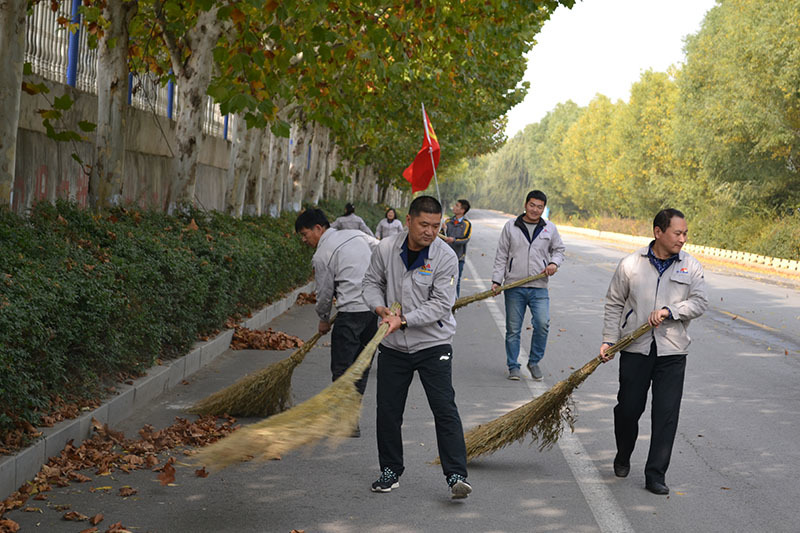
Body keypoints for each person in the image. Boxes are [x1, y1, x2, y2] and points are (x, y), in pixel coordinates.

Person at [362, 195, 472, 499]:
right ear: (408, 220)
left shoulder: (445, 256)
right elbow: (371, 282)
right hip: (394, 345)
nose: (430, 231)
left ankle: (456, 476)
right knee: (387, 410)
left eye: (436, 226)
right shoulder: (385, 248)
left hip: (433, 343)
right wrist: (379, 309)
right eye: (424, 224)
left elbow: (440, 305)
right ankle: (390, 471)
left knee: (444, 408)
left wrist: (405, 320)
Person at [599, 208, 708, 496]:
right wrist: (609, 340)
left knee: (666, 414)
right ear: (658, 232)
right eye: (677, 233)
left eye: (685, 233)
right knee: (628, 409)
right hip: (635, 348)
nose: (683, 239)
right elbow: (613, 303)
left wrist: (672, 310)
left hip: (672, 352)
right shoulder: (631, 264)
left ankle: (655, 474)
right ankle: (623, 454)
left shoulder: (691, 267)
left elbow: (700, 302)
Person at [295, 208, 379, 437]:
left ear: (318, 228)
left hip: (350, 314)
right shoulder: (357, 235)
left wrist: (323, 318)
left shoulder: (323, 254)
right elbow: (383, 252)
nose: (304, 240)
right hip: (372, 313)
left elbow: (324, 293)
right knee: (361, 366)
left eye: (305, 234)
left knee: (342, 368)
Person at [491, 190, 565, 381]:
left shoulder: (550, 228)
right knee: (513, 329)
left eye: (539, 207)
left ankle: (534, 361)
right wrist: (497, 281)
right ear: (525, 205)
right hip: (514, 286)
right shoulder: (511, 226)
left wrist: (554, 263)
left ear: (544, 209)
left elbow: (559, 250)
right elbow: (501, 255)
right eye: (532, 205)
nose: (535, 210)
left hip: (539, 286)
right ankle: (513, 366)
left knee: (542, 323)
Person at [441, 199, 472, 297]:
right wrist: (442, 229)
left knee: (455, 281)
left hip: (459, 257)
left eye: (457, 205)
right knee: (445, 280)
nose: (454, 207)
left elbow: (466, 238)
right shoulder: (448, 221)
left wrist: (453, 240)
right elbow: (441, 236)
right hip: (446, 257)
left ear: (462, 210)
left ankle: (455, 302)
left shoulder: (466, 224)